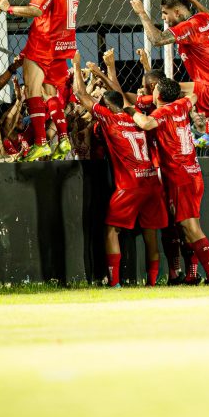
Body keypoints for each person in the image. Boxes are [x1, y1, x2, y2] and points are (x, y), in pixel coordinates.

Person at [72, 52, 167, 288]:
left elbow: (81, 95)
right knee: (150, 234)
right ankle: (153, 283)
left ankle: (114, 282)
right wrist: (108, 70)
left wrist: (75, 66)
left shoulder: (109, 118)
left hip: (130, 186)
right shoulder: (137, 116)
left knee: (111, 231)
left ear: (105, 106)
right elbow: (121, 96)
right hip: (152, 183)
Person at [127, 76, 209, 285]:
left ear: (159, 95)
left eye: (155, 90)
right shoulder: (182, 104)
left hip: (180, 176)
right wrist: (175, 92)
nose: (151, 92)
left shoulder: (162, 112)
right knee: (185, 227)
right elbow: (195, 94)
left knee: (190, 228)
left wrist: (130, 110)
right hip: (192, 173)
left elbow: (145, 123)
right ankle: (191, 274)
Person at [0, 0, 85, 162]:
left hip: (42, 41)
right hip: (63, 44)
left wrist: (9, 8)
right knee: (50, 93)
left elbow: (36, 10)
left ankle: (41, 143)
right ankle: (63, 138)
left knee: (33, 91)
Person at [129, 0, 209, 148]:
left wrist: (142, 13)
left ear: (178, 13)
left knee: (163, 89)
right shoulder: (202, 18)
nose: (163, 18)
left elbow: (157, 40)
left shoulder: (188, 28)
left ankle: (165, 129)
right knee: (198, 89)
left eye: (165, 13)